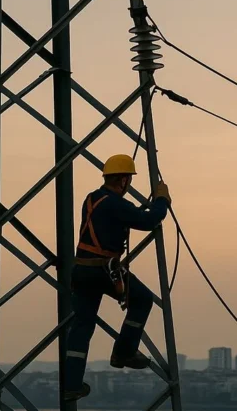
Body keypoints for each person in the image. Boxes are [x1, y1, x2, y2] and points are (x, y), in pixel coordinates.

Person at [62, 154, 171, 402]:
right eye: (128, 180)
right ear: (123, 180)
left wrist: (137, 210)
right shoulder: (116, 205)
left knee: (82, 326)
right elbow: (149, 220)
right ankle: (124, 351)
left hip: (82, 270)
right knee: (142, 299)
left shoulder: (92, 199)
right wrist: (162, 200)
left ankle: (71, 385)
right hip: (103, 271)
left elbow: (121, 216)